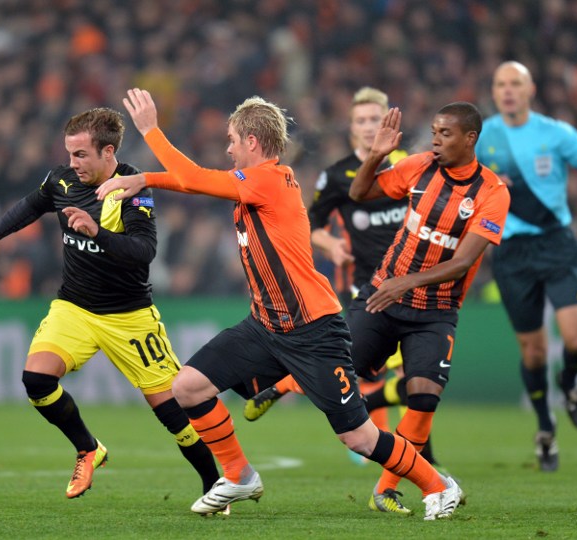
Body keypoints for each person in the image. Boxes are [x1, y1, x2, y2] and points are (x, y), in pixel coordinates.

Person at [95, 88, 463, 521]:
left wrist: (151, 131)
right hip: (265, 326)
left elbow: (194, 177)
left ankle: (440, 486)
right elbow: (195, 180)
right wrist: (143, 180)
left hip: (314, 330)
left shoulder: (270, 179)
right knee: (188, 386)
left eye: (233, 140)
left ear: (252, 142)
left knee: (359, 437)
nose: (228, 148)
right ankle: (238, 475)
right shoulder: (255, 182)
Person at [0, 107, 220, 500]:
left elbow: (144, 251)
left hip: (129, 317)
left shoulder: (131, 188)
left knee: (173, 412)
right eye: (69, 153)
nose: (71, 163)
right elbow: (31, 205)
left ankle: (215, 483)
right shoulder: (61, 180)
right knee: (37, 381)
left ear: (108, 153)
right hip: (74, 308)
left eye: (81, 155)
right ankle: (88, 448)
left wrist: (97, 232)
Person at [240, 87, 445, 482]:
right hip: (364, 286)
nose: (370, 127)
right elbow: (309, 224)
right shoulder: (337, 176)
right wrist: (329, 242)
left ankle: (287, 387)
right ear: (351, 128)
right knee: (395, 378)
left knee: (415, 381)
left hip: (412, 285)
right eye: (362, 121)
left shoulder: (413, 166)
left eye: (376, 119)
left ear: (390, 122)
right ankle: (412, 461)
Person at [346, 101, 511, 515]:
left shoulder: (492, 192)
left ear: (470, 139)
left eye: (446, 133)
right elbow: (358, 192)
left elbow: (462, 261)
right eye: (434, 131)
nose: (436, 139)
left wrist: (411, 280)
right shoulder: (419, 166)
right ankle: (283, 385)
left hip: (435, 312)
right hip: (384, 296)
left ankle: (386, 490)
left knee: (423, 396)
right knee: (337, 378)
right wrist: (377, 155)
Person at [475, 61, 577, 472]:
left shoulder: (555, 133)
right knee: (534, 351)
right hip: (512, 252)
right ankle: (545, 428)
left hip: (557, 244)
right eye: (500, 83)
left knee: (576, 341)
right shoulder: (482, 136)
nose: (507, 91)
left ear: (530, 89)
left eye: (515, 83)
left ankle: (571, 384)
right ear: (494, 89)